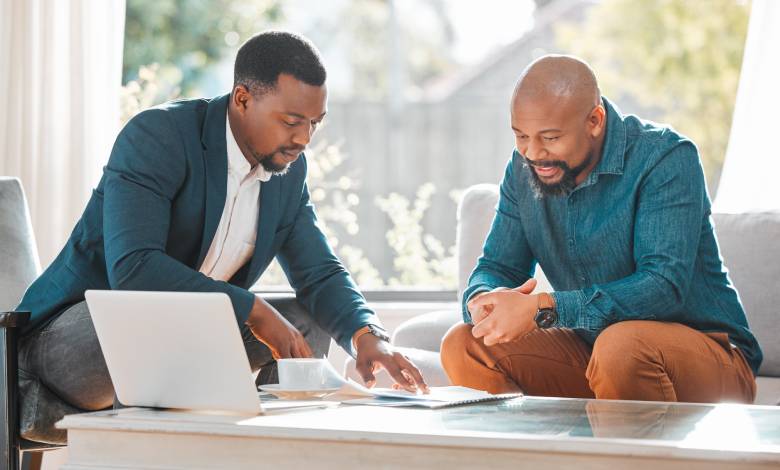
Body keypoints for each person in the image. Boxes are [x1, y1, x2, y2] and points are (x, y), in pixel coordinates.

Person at [16, 31, 427, 443]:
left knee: (305, 319)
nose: (303, 140)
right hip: (64, 343)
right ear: (243, 98)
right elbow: (135, 269)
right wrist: (255, 310)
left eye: (314, 125)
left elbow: (319, 272)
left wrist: (367, 336)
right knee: (147, 316)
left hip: (182, 341)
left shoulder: (287, 173)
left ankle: (264, 452)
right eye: (291, 122)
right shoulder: (158, 136)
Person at [440, 55, 760, 403]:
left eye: (550, 137)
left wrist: (543, 308)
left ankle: (631, 459)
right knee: (465, 344)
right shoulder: (523, 169)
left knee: (621, 347)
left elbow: (662, 287)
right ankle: (534, 457)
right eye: (521, 136)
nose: (533, 153)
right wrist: (482, 302)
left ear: (594, 120)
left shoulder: (665, 158)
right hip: (597, 353)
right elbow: (498, 268)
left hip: (711, 356)